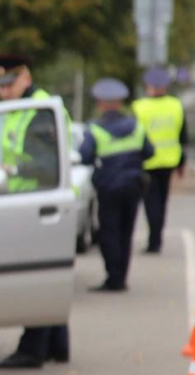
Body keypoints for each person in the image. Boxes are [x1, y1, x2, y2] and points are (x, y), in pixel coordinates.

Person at [0, 54, 70, 370]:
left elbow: (46, 166)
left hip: (39, 205)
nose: (5, 91)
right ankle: (57, 346)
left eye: (10, 83)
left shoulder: (37, 112)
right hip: (36, 203)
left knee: (35, 280)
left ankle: (32, 349)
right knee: (46, 275)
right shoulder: (25, 108)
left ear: (26, 77)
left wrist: (12, 167)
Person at [79, 79, 154, 292]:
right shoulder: (136, 126)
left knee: (108, 233)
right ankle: (121, 277)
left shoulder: (95, 129)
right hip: (133, 186)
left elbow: (84, 156)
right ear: (120, 103)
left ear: (101, 103)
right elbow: (150, 152)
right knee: (126, 232)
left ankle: (113, 278)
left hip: (108, 187)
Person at [132, 67, 188, 254]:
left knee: (151, 203)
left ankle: (154, 241)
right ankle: (157, 237)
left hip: (147, 163)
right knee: (162, 202)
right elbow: (182, 136)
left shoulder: (139, 107)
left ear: (148, 86)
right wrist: (181, 163)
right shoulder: (176, 105)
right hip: (170, 161)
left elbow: (135, 137)